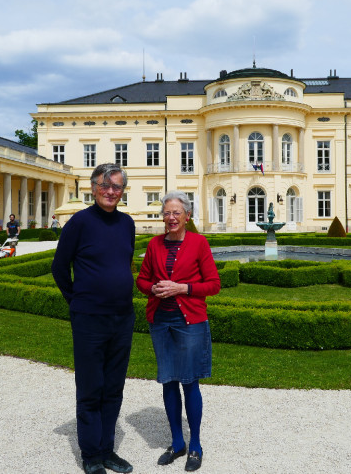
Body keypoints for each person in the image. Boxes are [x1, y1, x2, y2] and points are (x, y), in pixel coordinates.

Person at [51, 163, 136, 474]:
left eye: (116, 187)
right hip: (89, 319)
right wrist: (78, 302)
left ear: (122, 191)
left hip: (122, 317)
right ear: (93, 188)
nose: (111, 192)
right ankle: (91, 455)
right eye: (105, 186)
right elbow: (59, 268)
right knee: (91, 387)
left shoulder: (127, 223)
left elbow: (123, 262)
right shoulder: (79, 223)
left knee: (113, 387)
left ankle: (107, 449)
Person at [135, 191, 220, 472]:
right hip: (160, 320)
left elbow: (213, 284)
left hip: (189, 322)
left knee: (189, 381)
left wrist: (182, 288)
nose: (171, 218)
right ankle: (176, 442)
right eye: (167, 213)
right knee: (168, 381)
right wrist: (154, 289)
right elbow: (143, 279)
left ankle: (195, 444)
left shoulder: (198, 243)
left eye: (176, 213)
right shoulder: (155, 244)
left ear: (187, 216)